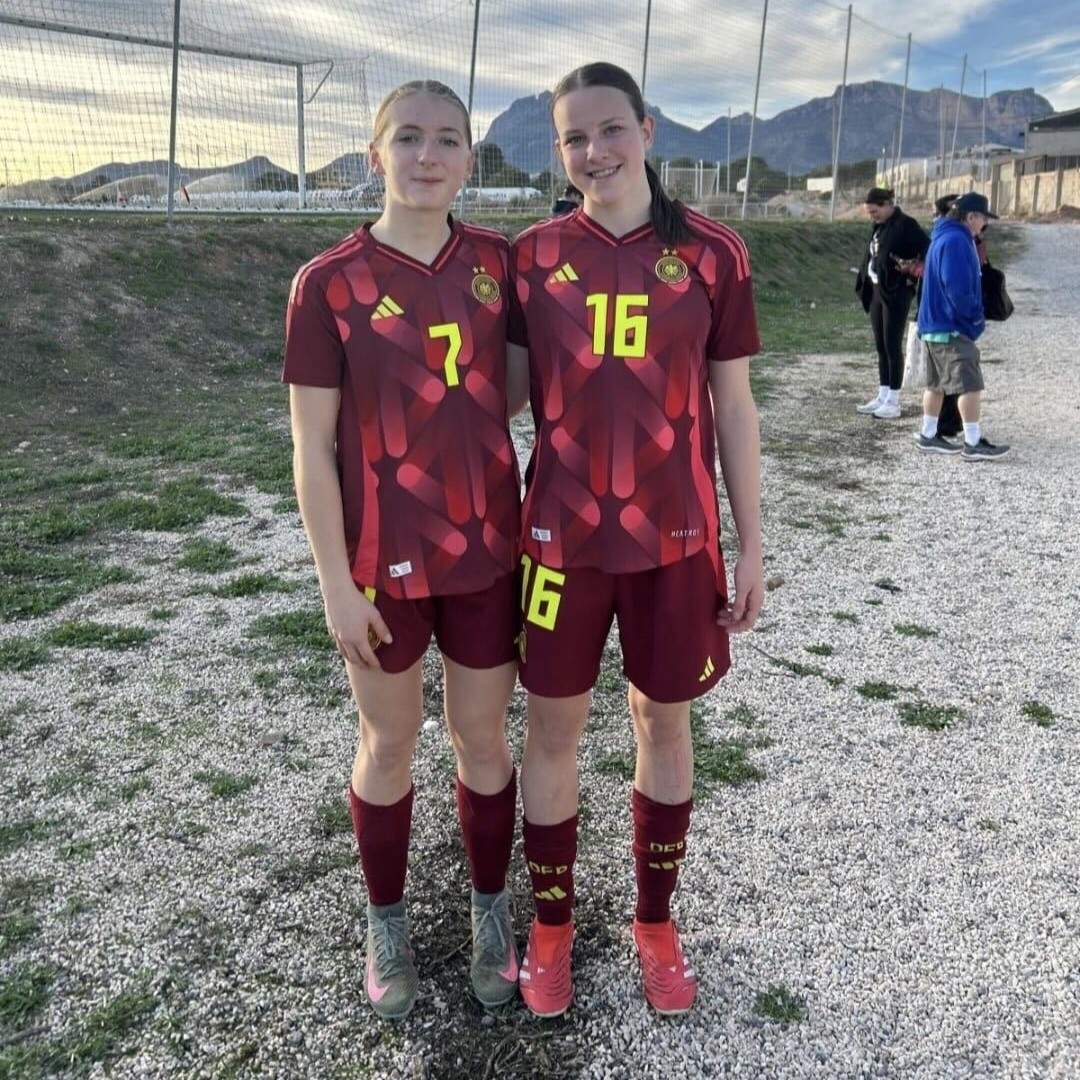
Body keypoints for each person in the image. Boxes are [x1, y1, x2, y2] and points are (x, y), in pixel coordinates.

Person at [508, 61, 764, 1018]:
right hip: (559, 542)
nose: (594, 151)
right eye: (574, 137)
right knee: (553, 731)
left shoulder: (714, 253)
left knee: (665, 723)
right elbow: (494, 397)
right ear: (560, 151)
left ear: (649, 131)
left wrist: (753, 544)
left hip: (677, 538)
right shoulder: (529, 256)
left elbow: (733, 410)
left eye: (610, 129)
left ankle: (655, 925)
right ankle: (550, 931)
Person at [283, 80, 525, 1021]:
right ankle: (385, 922)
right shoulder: (328, 282)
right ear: (374, 154)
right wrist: (335, 584)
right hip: (379, 564)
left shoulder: (499, 265)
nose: (430, 156)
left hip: (485, 552)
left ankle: (490, 910)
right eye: (410, 139)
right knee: (388, 741)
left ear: (471, 159)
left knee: (479, 738)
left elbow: (504, 394)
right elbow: (309, 447)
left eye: (450, 140)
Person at [915, 191, 1010, 459]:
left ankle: (929, 434)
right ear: (970, 216)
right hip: (952, 327)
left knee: (935, 384)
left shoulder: (941, 236)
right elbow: (957, 288)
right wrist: (975, 317)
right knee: (969, 385)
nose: (984, 224)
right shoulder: (957, 241)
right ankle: (972, 441)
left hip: (933, 326)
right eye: (982, 218)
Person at [854, 187, 930, 419]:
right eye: (869, 213)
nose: (872, 216)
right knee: (881, 346)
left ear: (888, 204)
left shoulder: (906, 224)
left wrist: (913, 269)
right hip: (877, 289)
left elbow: (927, 249)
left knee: (892, 345)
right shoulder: (880, 226)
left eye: (875, 211)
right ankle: (883, 394)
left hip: (896, 291)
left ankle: (894, 401)